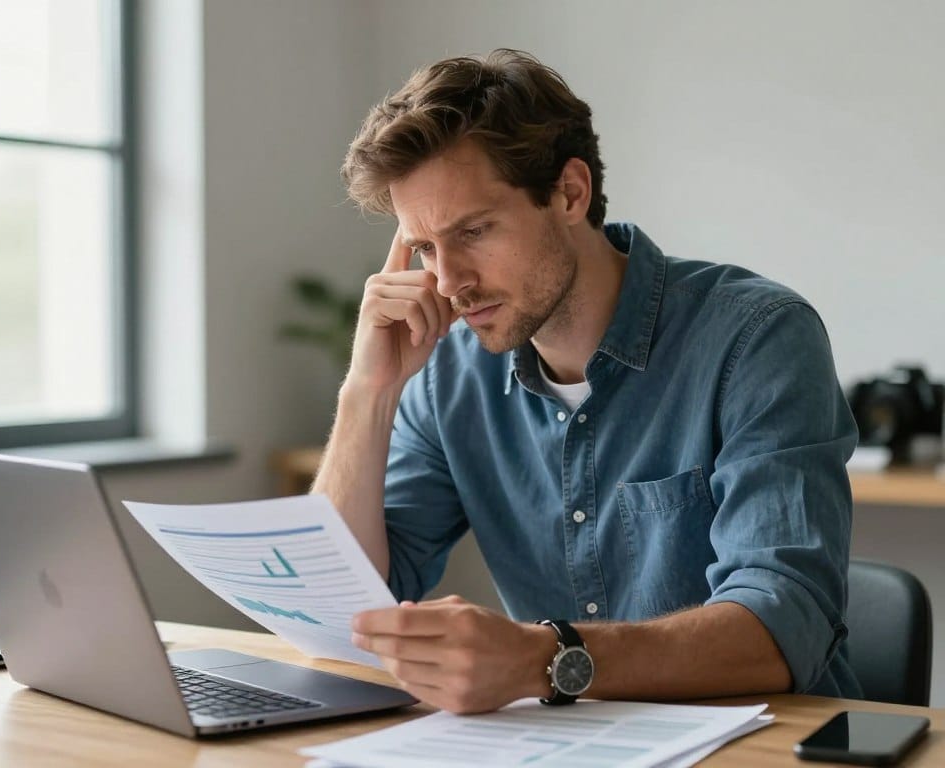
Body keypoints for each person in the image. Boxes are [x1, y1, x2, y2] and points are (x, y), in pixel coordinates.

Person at [312, 49, 861, 713]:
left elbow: (783, 622)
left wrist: (543, 658)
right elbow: (347, 612)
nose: (449, 281)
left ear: (571, 193)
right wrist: (368, 391)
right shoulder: (450, 375)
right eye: (426, 248)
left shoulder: (757, 338)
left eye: (475, 231)